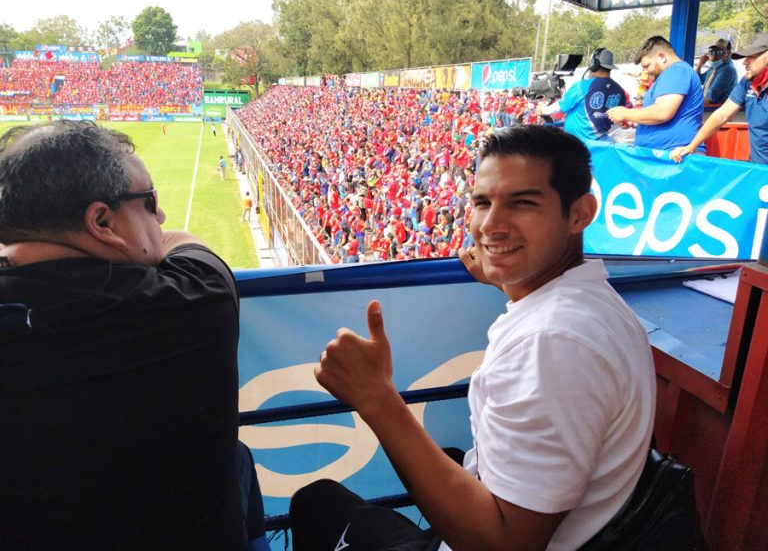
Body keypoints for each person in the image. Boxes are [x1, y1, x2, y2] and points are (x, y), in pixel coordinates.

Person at [289, 125, 656, 551]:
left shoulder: (553, 342)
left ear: (579, 214)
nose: (491, 226)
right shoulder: (586, 302)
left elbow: (503, 545)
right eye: (482, 202)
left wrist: (376, 398)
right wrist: (508, 280)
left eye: (522, 204)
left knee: (316, 503)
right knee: (442, 457)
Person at [0, 121, 266, 550]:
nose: (159, 216)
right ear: (102, 221)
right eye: (150, 201)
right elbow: (181, 248)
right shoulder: (195, 301)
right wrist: (145, 250)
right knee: (236, 458)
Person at [671, 32, 768, 165]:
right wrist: (691, 146)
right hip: (758, 166)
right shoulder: (748, 82)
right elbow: (722, 114)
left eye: (752, 57)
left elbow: (710, 99)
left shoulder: (727, 71)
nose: (745, 62)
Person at [607, 36, 704, 152]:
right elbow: (670, 119)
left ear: (662, 57)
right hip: (664, 154)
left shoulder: (676, 71)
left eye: (647, 66)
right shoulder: (672, 74)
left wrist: (626, 113)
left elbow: (662, 112)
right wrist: (634, 121)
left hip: (674, 156)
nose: (645, 72)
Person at [539, 47, 630, 141]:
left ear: (593, 64)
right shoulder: (619, 91)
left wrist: (542, 110)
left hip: (577, 143)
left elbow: (559, 107)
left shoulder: (581, 86)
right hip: (601, 143)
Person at [696, 38, 738, 105]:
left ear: (728, 54)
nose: (714, 56)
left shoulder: (727, 70)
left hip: (715, 109)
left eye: (719, 52)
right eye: (712, 52)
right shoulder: (715, 67)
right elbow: (698, 80)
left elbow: (708, 100)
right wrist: (700, 64)